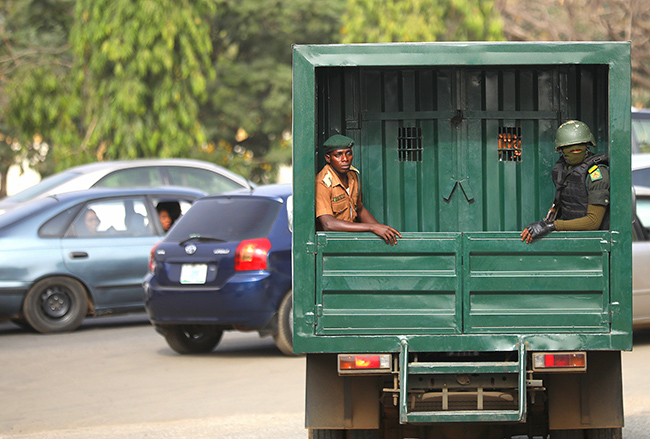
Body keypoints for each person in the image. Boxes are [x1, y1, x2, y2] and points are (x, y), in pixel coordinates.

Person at [521, 120, 610, 243]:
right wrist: (544, 223)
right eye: (569, 148)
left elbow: (593, 222)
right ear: (561, 150)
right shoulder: (563, 170)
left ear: (588, 146)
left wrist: (551, 226)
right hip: (572, 241)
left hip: (596, 243)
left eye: (579, 147)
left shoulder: (597, 174)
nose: (574, 151)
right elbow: (562, 200)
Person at [315, 134, 401, 245]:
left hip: (351, 239)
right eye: (338, 155)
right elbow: (328, 224)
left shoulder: (352, 176)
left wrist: (381, 229)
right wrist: (371, 227)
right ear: (328, 158)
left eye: (348, 153)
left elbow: (359, 209)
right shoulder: (322, 183)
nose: (345, 159)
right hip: (331, 244)